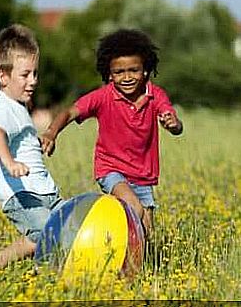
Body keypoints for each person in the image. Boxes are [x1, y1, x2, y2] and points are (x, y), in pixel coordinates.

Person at [41, 29, 183, 241]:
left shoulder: (155, 95)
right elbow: (69, 112)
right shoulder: (102, 97)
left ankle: (134, 269)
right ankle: (105, 244)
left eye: (133, 70)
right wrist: (51, 133)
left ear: (145, 70)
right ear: (109, 74)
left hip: (143, 176)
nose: (127, 77)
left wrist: (173, 124)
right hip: (111, 170)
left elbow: (174, 122)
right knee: (133, 208)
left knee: (148, 233)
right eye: (119, 72)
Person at [0, 24, 62, 277]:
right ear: (3, 76)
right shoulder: (3, 107)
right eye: (25, 75)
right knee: (46, 235)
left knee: (67, 230)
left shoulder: (17, 105)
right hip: (22, 194)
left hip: (44, 190)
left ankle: (43, 272)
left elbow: (0, 149)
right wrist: (10, 162)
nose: (33, 81)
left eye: (35, 73)